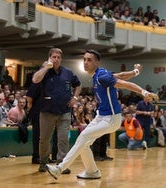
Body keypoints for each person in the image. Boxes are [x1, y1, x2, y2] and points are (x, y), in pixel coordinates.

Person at [45, 49, 158, 180]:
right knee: (84, 143)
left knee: (83, 137)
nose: (85, 62)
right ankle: (92, 171)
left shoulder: (101, 76)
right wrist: (135, 72)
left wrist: (144, 92)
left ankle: (60, 168)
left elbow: (124, 84)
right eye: (84, 59)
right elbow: (120, 75)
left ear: (97, 62)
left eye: (89, 60)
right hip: (101, 117)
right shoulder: (99, 74)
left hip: (110, 119)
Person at [32, 48, 82, 174]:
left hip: (64, 111)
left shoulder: (68, 73)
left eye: (58, 57)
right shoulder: (45, 72)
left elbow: (78, 84)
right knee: (44, 139)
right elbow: (35, 80)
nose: (56, 59)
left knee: (63, 139)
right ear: (49, 58)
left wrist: (75, 98)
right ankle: (43, 162)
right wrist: (45, 67)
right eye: (54, 57)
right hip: (47, 111)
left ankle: (61, 165)